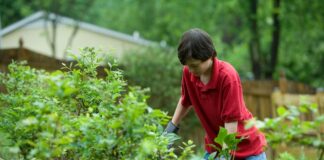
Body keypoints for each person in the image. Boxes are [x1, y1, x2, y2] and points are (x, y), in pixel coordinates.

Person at [164, 28, 267, 160]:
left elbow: (231, 123)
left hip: (247, 150)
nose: (190, 69)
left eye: (194, 65)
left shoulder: (227, 77)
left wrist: (224, 157)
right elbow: (185, 100)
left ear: (209, 55)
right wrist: (169, 131)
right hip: (215, 148)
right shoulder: (189, 72)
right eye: (187, 65)